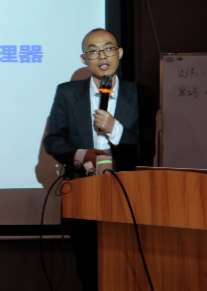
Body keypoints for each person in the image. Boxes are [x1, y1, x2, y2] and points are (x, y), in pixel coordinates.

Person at [43, 28, 157, 291]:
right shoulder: (67, 93)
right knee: (90, 274)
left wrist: (114, 128)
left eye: (108, 48)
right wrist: (83, 155)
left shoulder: (142, 95)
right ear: (84, 59)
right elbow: (54, 141)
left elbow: (146, 151)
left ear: (120, 53)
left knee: (127, 274)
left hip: (128, 196)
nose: (102, 56)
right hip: (84, 196)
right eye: (93, 51)